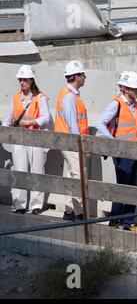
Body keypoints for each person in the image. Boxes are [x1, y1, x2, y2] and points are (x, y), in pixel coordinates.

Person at [96, 71, 137, 232]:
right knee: (124, 188)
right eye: (134, 88)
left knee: (133, 189)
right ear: (124, 88)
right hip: (123, 155)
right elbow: (100, 123)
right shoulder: (116, 104)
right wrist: (113, 141)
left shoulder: (136, 105)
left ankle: (124, 221)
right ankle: (121, 220)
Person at [2, 65, 51, 214]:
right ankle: (20, 204)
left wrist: (29, 122)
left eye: (24, 79)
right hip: (20, 140)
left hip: (35, 139)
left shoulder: (40, 97)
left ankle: (36, 205)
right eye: (20, 80)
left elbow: (46, 118)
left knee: (37, 171)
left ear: (31, 80)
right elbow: (8, 119)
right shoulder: (16, 97)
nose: (22, 82)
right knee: (20, 172)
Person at [54, 60, 89, 221]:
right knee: (79, 176)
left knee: (70, 176)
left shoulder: (70, 95)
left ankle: (69, 211)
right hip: (72, 143)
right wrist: (80, 145)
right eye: (82, 74)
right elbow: (72, 124)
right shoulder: (69, 97)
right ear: (76, 76)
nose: (85, 77)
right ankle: (81, 214)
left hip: (68, 142)